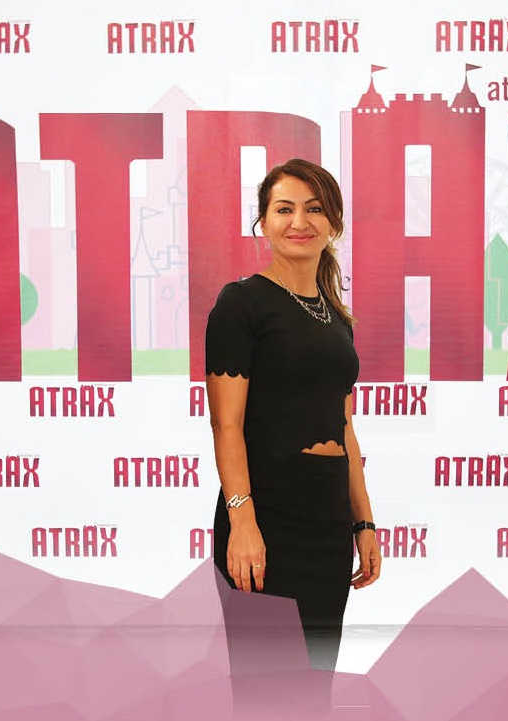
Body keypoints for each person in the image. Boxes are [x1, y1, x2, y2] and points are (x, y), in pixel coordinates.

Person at [204, 158, 381, 679]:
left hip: (327, 523)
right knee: (267, 693)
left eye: (314, 209)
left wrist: (363, 522)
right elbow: (226, 426)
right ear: (263, 222)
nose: (299, 221)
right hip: (268, 518)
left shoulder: (336, 318)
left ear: (333, 223)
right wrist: (243, 523)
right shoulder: (241, 304)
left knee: (314, 689)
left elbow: (345, 429)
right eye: (284, 209)